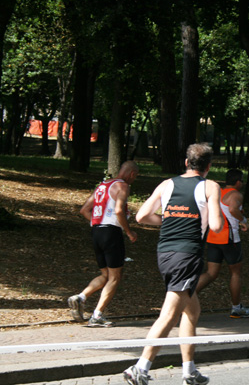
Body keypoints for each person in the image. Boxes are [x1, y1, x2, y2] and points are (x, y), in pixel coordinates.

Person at [123, 143, 223, 385]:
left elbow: (141, 216)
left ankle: (189, 370)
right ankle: (140, 367)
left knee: (192, 310)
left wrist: (170, 220)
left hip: (165, 254)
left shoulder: (167, 184)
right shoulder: (210, 186)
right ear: (208, 167)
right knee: (168, 315)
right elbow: (218, 226)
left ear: (187, 163)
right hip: (187, 256)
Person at [68, 161, 139, 327]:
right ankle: (97, 316)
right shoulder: (123, 186)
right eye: (135, 176)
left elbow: (84, 210)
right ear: (132, 174)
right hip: (111, 233)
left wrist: (99, 224)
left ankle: (80, 297)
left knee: (106, 275)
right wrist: (129, 232)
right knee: (115, 277)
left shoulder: (103, 185)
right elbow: (119, 210)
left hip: (96, 231)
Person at [195, 168, 249, 318]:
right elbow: (233, 209)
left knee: (211, 273)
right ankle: (236, 308)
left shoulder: (217, 192)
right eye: (242, 181)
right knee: (235, 273)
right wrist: (244, 221)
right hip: (229, 238)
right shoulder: (236, 194)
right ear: (238, 182)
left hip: (213, 236)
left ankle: (187, 295)